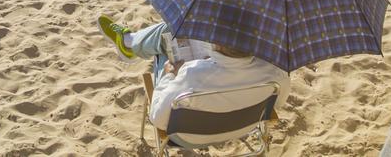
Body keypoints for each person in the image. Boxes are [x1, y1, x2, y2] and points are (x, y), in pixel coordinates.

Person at [97, 16, 290, 139]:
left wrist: (169, 75)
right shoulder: (275, 71)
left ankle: (129, 43)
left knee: (167, 38)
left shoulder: (191, 75)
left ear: (218, 45)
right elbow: (277, 104)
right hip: (246, 128)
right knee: (168, 33)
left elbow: (158, 118)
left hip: (189, 137)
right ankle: (130, 43)